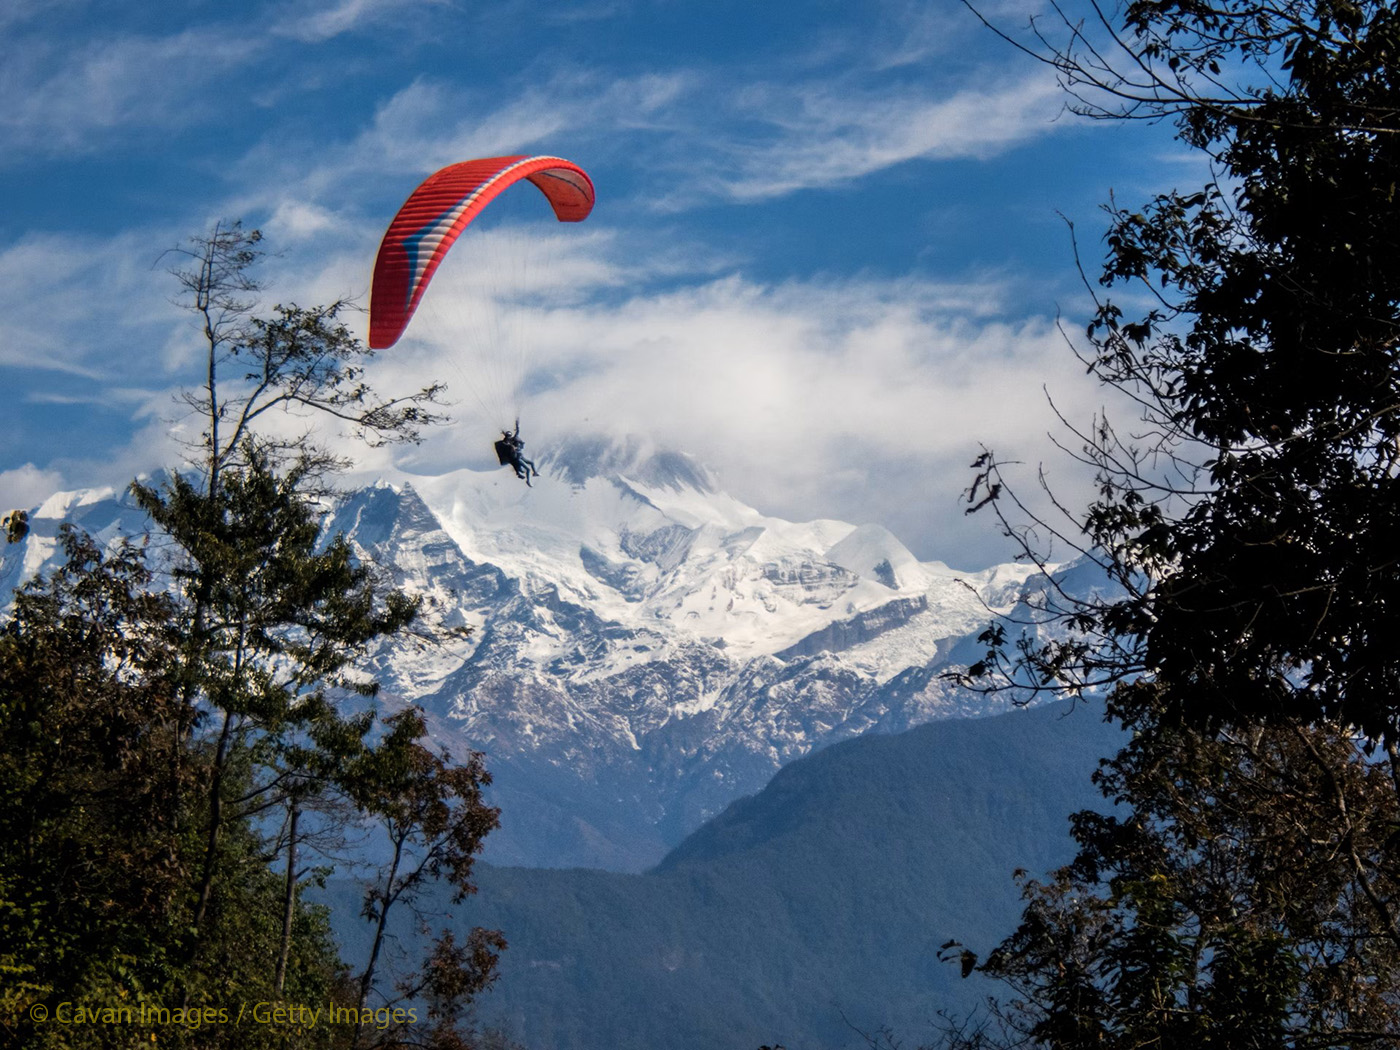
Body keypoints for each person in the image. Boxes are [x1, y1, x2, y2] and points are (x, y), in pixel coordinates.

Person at [494, 420, 538, 486]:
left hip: (521, 457)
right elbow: (508, 446)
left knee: (531, 463)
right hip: (517, 458)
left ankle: (534, 473)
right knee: (527, 469)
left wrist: (517, 425)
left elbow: (517, 432)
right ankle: (528, 481)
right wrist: (513, 448)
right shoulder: (507, 443)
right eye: (508, 437)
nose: (509, 438)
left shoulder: (512, 440)